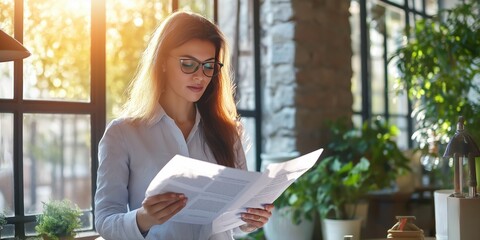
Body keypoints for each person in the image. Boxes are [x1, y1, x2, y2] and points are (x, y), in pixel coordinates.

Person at [94, 11, 274, 240]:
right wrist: (144, 218)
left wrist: (249, 220)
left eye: (209, 66)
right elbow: (105, 221)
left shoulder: (228, 133)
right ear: (162, 63)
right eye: (188, 64)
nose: (200, 76)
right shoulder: (123, 134)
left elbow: (232, 222)